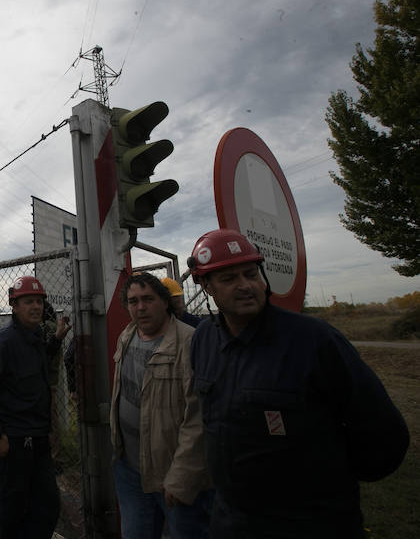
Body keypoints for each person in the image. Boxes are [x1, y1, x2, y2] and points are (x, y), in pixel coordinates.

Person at [187, 229, 409, 538]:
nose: (245, 286)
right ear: (205, 286)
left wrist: (327, 486)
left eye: (251, 274)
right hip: (231, 523)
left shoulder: (314, 340)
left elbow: (384, 436)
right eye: (228, 279)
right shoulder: (203, 340)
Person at [110, 272, 211, 539]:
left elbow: (199, 419)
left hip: (173, 476)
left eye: (148, 299)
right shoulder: (127, 336)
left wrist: (181, 477)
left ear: (165, 302)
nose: (140, 307)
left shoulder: (190, 342)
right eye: (133, 301)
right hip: (129, 470)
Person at [0, 275, 67, 539]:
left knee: (47, 506)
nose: (35, 306)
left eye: (38, 301)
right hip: (13, 444)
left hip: (39, 441)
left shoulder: (34, 338)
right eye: (28, 302)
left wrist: (56, 339)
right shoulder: (4, 342)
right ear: (14, 305)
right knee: (12, 512)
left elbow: (39, 362)